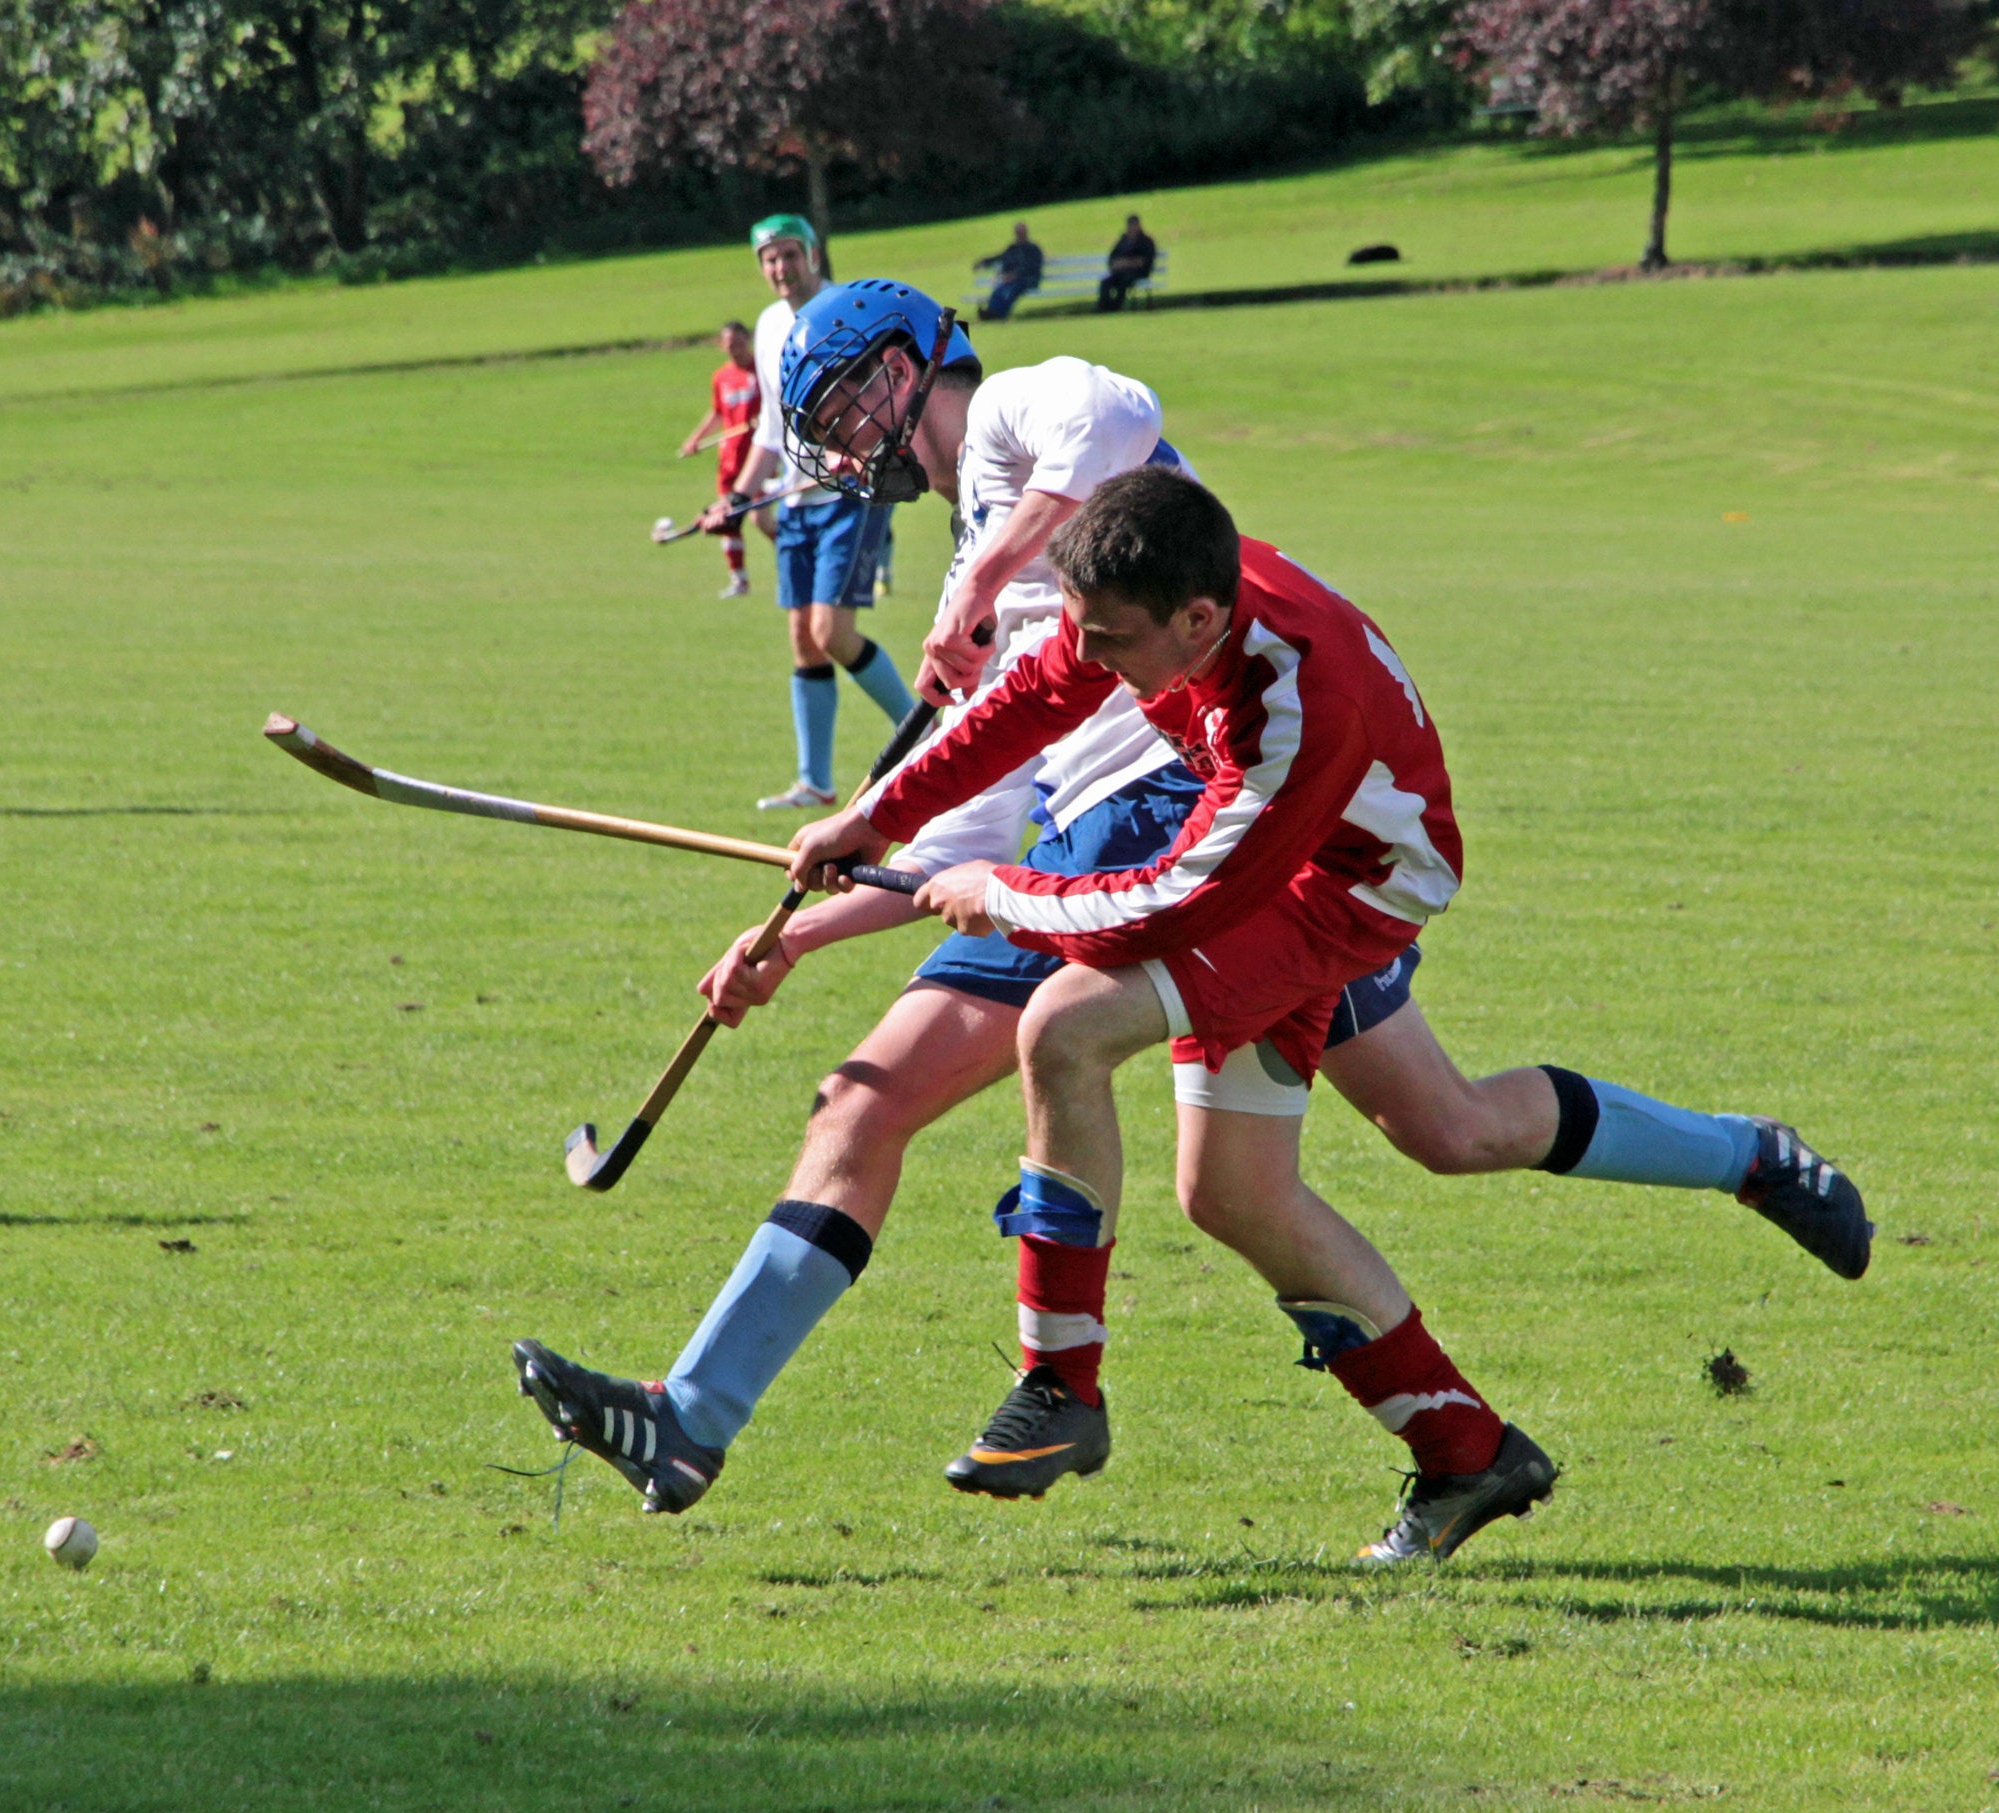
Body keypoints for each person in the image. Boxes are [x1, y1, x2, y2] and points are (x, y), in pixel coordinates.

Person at [510, 285, 1867, 1559]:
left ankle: (983, 1389)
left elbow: (1113, 431)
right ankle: (1532, 1380)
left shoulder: (1025, 427)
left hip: (1225, 844)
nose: (857, 434)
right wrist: (823, 896)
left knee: (997, 1058)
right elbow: (998, 776)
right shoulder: (1032, 598)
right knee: (1403, 1140)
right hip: (1146, 840)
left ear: (913, 359)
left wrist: (1000, 586)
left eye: (860, 397)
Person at [699, 216, 916, 809]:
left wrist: (859, 455)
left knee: (831, 632)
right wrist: (739, 498)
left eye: (790, 254)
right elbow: (771, 428)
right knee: (804, 640)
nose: (780, 267)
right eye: (769, 258)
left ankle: (925, 738)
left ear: (813, 254)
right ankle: (815, 782)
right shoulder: (769, 325)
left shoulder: (846, 310)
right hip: (796, 502)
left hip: (849, 496)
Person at [678, 321, 764, 597]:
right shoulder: (722, 377)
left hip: (758, 458)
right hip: (729, 458)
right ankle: (739, 580)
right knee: (726, 520)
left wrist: (764, 420)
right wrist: (695, 438)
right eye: (728, 344)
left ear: (747, 341)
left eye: (738, 342)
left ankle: (796, 565)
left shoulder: (761, 370)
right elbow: (717, 413)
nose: (733, 348)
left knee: (761, 520)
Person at [974, 222, 1044, 321]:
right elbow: (1001, 257)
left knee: (1009, 292)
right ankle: (990, 312)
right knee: (998, 291)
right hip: (1012, 280)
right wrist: (984, 262)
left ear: (1026, 233)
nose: (1019, 235)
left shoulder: (1033, 248)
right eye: (1017, 233)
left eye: (1021, 233)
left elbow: (1033, 267)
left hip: (1029, 280)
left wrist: (1016, 275)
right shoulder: (1013, 248)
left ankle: (1000, 315)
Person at [1097, 214, 1156, 313]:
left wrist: (1127, 263)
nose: (1132, 228)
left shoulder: (1145, 241)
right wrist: (1116, 264)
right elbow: (1112, 257)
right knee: (1105, 282)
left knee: (1123, 282)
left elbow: (1145, 261)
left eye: (1134, 225)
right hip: (1120, 272)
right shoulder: (1123, 241)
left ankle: (1115, 307)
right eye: (1130, 225)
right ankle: (1103, 307)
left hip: (1138, 273)